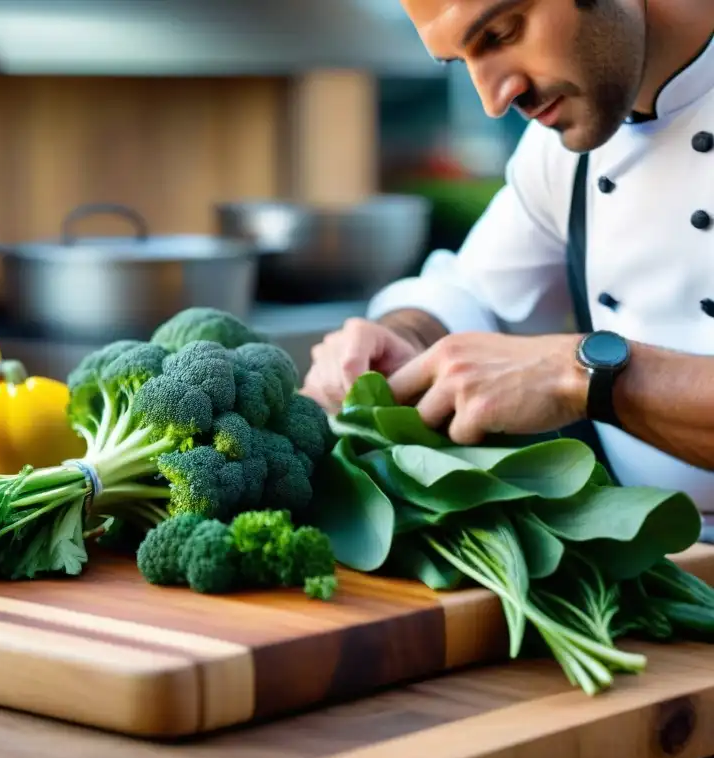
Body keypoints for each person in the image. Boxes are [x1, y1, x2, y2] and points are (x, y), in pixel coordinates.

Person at [300, 0, 714, 512]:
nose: (494, 100)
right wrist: (400, 338)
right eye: (460, 61)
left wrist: (576, 374)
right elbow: (471, 295)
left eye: (500, 33)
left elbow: (560, 371)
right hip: (680, 561)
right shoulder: (563, 154)